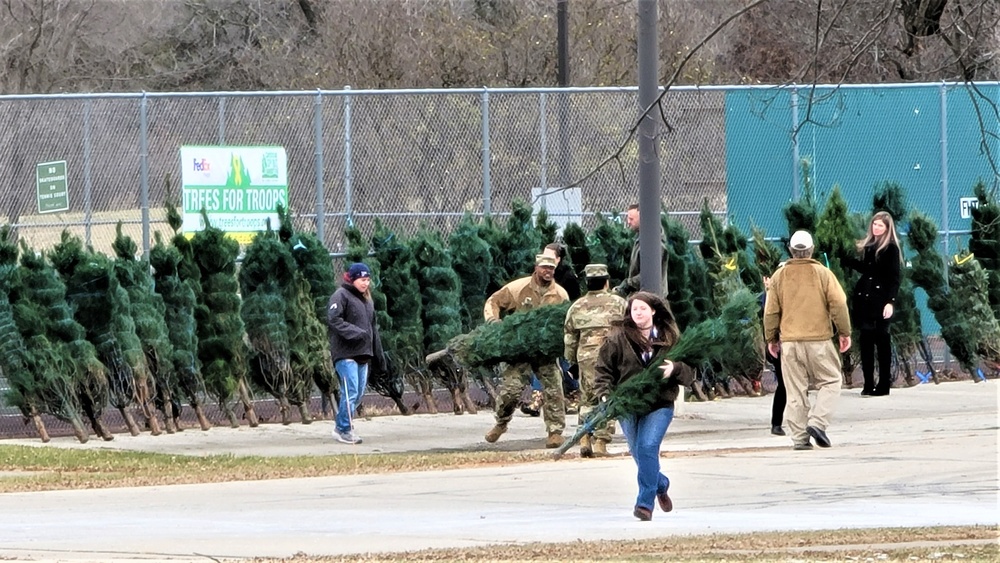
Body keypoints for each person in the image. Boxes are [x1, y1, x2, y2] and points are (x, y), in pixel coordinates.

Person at [594, 291, 696, 521]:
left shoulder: (670, 338)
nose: (638, 312)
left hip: (659, 403)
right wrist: (605, 396)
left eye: (642, 308)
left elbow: (691, 371)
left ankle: (644, 504)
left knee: (648, 447)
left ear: (653, 311)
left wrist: (676, 369)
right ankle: (661, 482)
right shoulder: (617, 338)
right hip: (627, 404)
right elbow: (603, 371)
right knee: (638, 452)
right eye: (634, 309)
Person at [763, 231, 852, 451]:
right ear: (811, 250)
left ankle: (800, 438)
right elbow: (839, 303)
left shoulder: (779, 276)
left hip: (790, 342)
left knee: (795, 391)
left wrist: (771, 338)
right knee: (831, 381)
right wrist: (844, 332)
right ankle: (818, 423)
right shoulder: (823, 273)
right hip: (819, 340)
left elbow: (771, 312)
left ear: (791, 251)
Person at [483, 254, 570, 448]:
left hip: (544, 350)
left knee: (554, 388)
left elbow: (563, 320)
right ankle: (501, 423)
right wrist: (493, 322)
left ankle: (555, 432)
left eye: (551, 268)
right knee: (511, 391)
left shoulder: (560, 294)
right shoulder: (518, 288)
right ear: (536, 267)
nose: (548, 271)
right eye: (544, 267)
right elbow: (493, 301)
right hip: (519, 348)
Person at [563, 264, 628, 458]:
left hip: (586, 358)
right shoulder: (619, 304)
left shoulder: (576, 307)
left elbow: (570, 338)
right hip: (612, 357)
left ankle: (584, 437)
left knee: (587, 398)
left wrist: (571, 362)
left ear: (587, 283)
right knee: (607, 397)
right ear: (607, 282)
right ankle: (601, 441)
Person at [841, 211, 903, 396]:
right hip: (865, 299)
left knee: (882, 342)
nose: (876, 228)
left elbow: (894, 278)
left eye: (880, 225)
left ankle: (884, 384)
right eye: (874, 224)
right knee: (866, 341)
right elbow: (868, 269)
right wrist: (848, 261)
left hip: (880, 300)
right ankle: (868, 383)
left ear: (887, 228)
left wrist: (890, 302)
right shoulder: (870, 246)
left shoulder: (891, 248)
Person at [327, 262, 384, 445]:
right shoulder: (340, 296)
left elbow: (372, 330)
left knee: (357, 394)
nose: (365, 283)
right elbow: (334, 320)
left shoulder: (367, 301)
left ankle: (340, 427)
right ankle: (345, 429)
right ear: (352, 279)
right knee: (350, 392)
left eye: (367, 279)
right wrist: (356, 333)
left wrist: (378, 354)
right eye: (362, 279)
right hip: (345, 355)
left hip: (363, 355)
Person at [615, 204, 669, 297]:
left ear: (643, 218)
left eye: (631, 219)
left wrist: (627, 284)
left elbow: (649, 274)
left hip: (650, 298)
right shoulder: (642, 239)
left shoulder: (654, 243)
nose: (628, 222)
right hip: (642, 296)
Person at [760, 275, 787, 436]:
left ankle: (781, 423)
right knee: (784, 385)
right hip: (780, 345)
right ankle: (776, 423)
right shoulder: (771, 294)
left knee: (795, 386)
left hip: (790, 342)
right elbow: (768, 316)